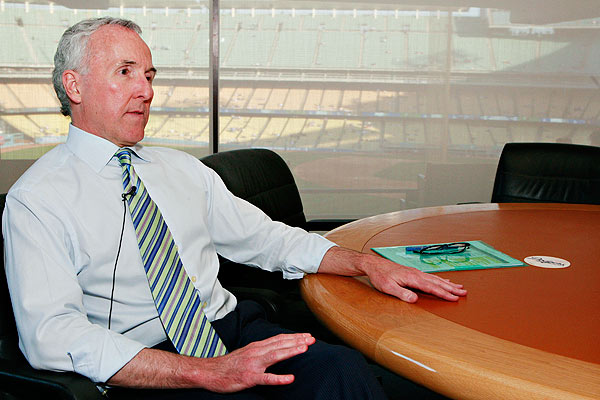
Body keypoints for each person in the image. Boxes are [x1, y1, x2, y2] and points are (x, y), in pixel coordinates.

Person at [2, 17, 466, 399]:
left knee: (340, 370)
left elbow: (266, 238)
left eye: (149, 75)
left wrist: (364, 263)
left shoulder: (182, 169)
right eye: (125, 72)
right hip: (146, 362)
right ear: (74, 86)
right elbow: (52, 337)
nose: (145, 90)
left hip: (229, 327)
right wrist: (204, 371)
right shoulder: (37, 200)